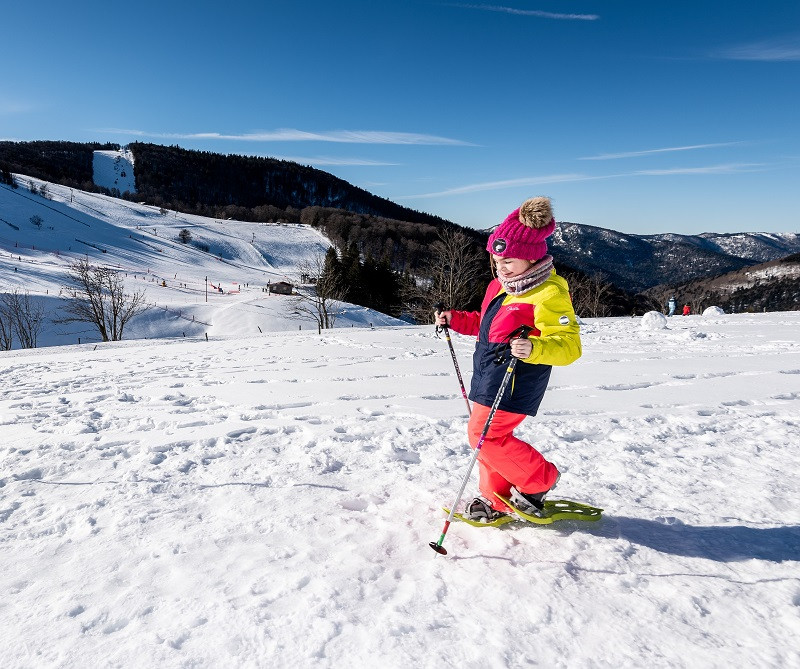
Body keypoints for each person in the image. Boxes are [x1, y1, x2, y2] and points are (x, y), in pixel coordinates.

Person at [434, 197, 582, 521]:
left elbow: (570, 346)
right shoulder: (500, 288)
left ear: (531, 258)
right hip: (488, 376)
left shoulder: (548, 293)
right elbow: (485, 326)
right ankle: (495, 498)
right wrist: (455, 319)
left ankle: (539, 478)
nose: (500, 267)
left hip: (517, 381)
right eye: (496, 259)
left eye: (509, 261)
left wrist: (535, 348)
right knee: (487, 438)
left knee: (483, 436)